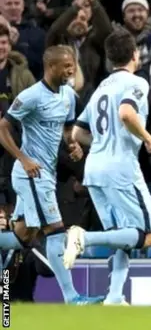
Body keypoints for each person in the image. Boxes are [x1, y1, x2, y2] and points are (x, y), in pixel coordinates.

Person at [63, 30, 151, 305]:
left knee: (123, 238)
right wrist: (149, 138)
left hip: (95, 169)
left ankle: (115, 298)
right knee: (147, 236)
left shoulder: (101, 89)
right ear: (135, 56)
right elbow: (126, 113)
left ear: (108, 59)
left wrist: (103, 143)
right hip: (121, 170)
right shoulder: (137, 83)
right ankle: (84, 237)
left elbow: (78, 134)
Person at [0, 45, 103, 305]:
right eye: (66, 65)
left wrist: (73, 145)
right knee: (56, 232)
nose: (71, 70)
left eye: (73, 65)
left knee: (24, 235)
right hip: (31, 175)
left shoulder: (68, 95)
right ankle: (72, 297)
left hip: (46, 173)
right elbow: (3, 128)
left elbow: (67, 129)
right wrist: (23, 159)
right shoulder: (31, 96)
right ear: (50, 67)